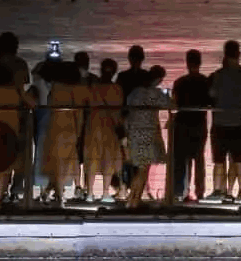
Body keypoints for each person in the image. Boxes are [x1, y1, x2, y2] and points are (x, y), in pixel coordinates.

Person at [0, 58, 37, 206]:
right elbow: (33, 104)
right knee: (6, 167)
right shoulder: (17, 91)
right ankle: (0, 196)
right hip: (11, 133)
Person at [43, 61, 92, 205]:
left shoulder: (56, 87)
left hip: (54, 127)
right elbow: (79, 112)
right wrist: (78, 131)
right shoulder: (77, 89)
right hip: (70, 129)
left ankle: (52, 191)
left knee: (56, 162)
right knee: (65, 164)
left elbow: (49, 104)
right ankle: (58, 194)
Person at [122, 65, 170, 209]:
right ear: (158, 79)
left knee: (140, 167)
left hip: (134, 132)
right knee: (143, 169)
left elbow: (127, 108)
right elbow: (169, 104)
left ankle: (133, 198)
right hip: (148, 133)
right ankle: (133, 200)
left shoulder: (135, 92)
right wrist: (167, 94)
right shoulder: (155, 93)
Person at [209, 42, 241, 201]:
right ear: (238, 54)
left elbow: (212, 93)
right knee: (239, 160)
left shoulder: (218, 74)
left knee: (219, 161)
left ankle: (218, 190)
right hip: (239, 121)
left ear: (225, 54)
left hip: (220, 122)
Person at [172, 50, 211, 202]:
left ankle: (180, 192)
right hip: (199, 124)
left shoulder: (179, 82)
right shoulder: (206, 81)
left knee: (182, 159)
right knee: (199, 158)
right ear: (200, 63)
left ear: (187, 63)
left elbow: (174, 103)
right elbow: (210, 101)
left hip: (182, 123)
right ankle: (200, 192)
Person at [85, 58, 125, 200]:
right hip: (109, 128)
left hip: (93, 126)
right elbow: (117, 111)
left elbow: (88, 105)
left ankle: (89, 193)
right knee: (109, 160)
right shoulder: (116, 89)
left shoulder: (92, 87)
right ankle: (105, 193)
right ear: (114, 73)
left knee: (92, 160)